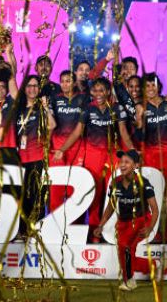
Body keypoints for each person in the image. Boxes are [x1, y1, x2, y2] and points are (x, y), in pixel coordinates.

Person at [54, 78, 135, 242]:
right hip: (93, 155)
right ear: (92, 92)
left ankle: (113, 231)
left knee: (114, 192)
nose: (98, 94)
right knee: (94, 193)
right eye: (95, 90)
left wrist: (133, 152)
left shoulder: (117, 108)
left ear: (108, 92)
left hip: (113, 154)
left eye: (102, 90)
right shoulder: (87, 109)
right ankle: (94, 230)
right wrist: (62, 149)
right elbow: (77, 132)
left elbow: (123, 133)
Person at [94, 149, 159, 291]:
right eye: (121, 162)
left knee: (127, 250)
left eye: (127, 162)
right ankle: (151, 265)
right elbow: (111, 206)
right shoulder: (115, 182)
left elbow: (155, 209)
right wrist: (101, 225)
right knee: (123, 254)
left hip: (141, 221)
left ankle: (129, 281)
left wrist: (150, 228)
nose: (122, 165)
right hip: (123, 223)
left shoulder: (143, 183)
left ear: (136, 165)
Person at [136, 72, 167, 224]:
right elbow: (139, 136)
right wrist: (139, 120)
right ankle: (153, 229)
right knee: (152, 192)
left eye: (153, 85)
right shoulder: (141, 107)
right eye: (147, 86)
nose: (151, 88)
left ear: (159, 87)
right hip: (151, 156)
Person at [15, 75, 56, 239]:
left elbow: (52, 125)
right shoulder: (18, 109)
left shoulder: (41, 108)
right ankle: (22, 230)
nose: (32, 89)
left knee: (36, 196)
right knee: (22, 197)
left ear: (39, 89)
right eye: (29, 86)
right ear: (24, 89)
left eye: (35, 86)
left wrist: (45, 107)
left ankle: (35, 230)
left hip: (37, 158)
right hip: (20, 159)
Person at [49, 70, 88, 211]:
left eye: (68, 81)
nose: (65, 84)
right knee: (56, 187)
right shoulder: (54, 99)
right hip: (57, 147)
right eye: (62, 81)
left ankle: (75, 221)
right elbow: (50, 124)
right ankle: (55, 220)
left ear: (75, 83)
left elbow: (80, 129)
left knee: (74, 186)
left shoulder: (83, 99)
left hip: (77, 147)